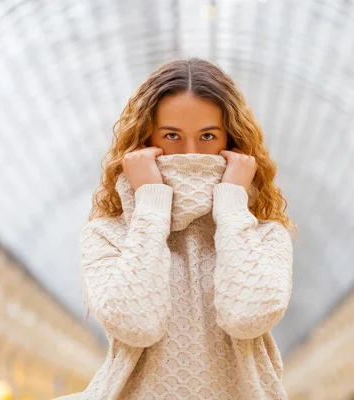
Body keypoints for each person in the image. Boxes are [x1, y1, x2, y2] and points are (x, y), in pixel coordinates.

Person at [55, 58, 294, 400]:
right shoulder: (107, 235)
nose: (190, 153)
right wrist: (151, 205)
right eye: (172, 136)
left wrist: (231, 205)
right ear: (144, 142)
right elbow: (136, 324)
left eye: (208, 136)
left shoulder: (264, 235)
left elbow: (247, 316)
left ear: (233, 143)